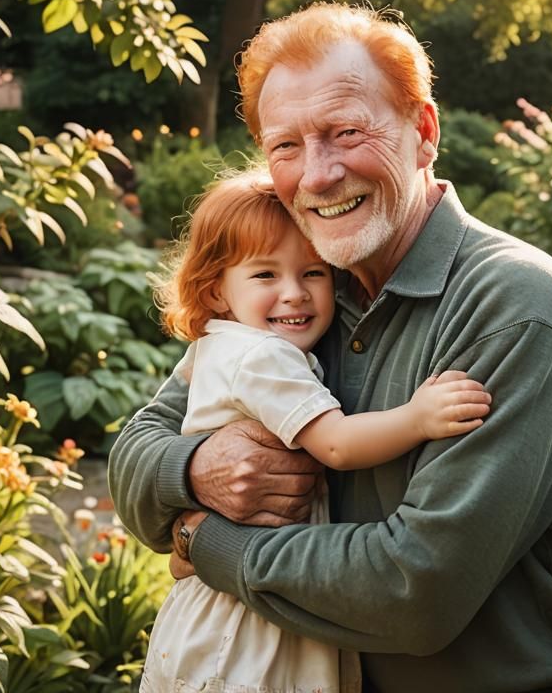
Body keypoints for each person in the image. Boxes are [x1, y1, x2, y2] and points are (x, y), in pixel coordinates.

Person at [110, 2, 552, 693]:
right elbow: (134, 450)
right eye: (286, 147)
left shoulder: (512, 305)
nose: (318, 175)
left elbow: (414, 590)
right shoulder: (304, 286)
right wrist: (196, 468)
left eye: (345, 132)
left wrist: (204, 542)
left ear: (423, 132)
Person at [141, 168, 491, 693]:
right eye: (265, 276)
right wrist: (418, 417)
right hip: (251, 625)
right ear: (215, 292)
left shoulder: (219, 345)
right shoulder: (263, 358)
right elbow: (336, 443)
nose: (294, 294)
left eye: (313, 273)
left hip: (240, 590)